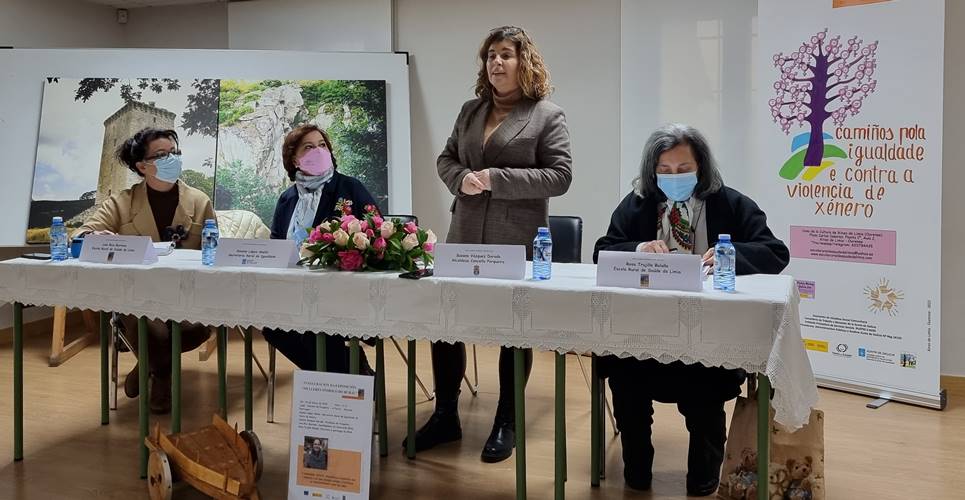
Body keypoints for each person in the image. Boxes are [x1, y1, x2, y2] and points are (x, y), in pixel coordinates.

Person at [593, 123, 789, 496]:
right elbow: (602, 250)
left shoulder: (729, 203)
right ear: (653, 173)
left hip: (709, 336)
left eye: (683, 169)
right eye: (664, 172)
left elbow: (776, 252)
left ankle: (703, 478)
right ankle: (636, 472)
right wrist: (637, 249)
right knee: (624, 376)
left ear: (701, 168)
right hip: (644, 332)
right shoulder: (637, 204)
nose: (674, 178)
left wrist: (734, 255)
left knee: (704, 395)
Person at [410, 25, 572, 463]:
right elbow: (445, 158)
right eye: (490, 56)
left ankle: (507, 420)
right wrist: (459, 177)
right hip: (462, 234)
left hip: (514, 240)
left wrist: (496, 179)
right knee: (446, 324)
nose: (496, 63)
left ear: (524, 62)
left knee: (511, 330)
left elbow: (560, 176)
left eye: (505, 54)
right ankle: (446, 415)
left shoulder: (546, 114)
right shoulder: (470, 111)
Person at [76, 127, 215, 414]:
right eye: (161, 155)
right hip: (139, 302)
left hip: (190, 303)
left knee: (177, 333)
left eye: (175, 153)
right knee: (148, 325)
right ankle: (163, 378)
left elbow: (217, 253)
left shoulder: (200, 202)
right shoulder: (121, 203)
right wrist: (96, 238)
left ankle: (148, 366)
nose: (172, 159)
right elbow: (81, 235)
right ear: (142, 166)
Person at [261, 124, 377, 373]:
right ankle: (353, 373)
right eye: (309, 147)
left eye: (322, 145)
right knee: (273, 328)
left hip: (341, 288)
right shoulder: (287, 198)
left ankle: (344, 385)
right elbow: (276, 243)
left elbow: (375, 230)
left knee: (320, 329)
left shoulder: (350, 187)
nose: (318, 151)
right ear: (294, 158)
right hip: (293, 288)